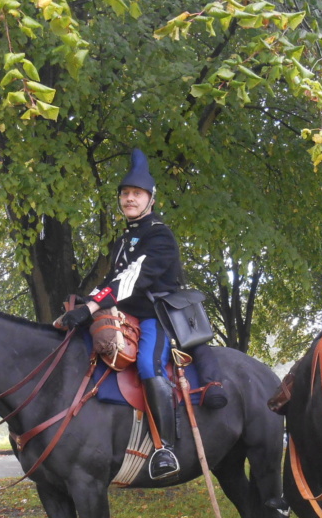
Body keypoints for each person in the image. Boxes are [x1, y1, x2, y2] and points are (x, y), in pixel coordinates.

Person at [54, 149, 226, 481]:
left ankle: (166, 449)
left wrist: (91, 307)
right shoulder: (123, 239)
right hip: (122, 317)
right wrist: (83, 304)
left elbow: (130, 280)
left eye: (136, 193)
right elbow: (110, 282)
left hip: (154, 318)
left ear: (150, 199)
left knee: (148, 363)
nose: (129, 199)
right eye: (125, 193)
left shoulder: (160, 236)